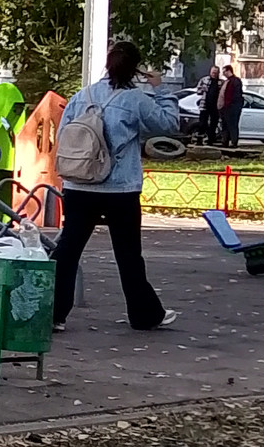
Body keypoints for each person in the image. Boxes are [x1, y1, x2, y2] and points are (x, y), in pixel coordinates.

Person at [52, 39, 180, 331]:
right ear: (135, 69)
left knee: (68, 249)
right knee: (128, 254)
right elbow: (169, 124)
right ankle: (144, 314)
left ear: (107, 64)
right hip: (119, 188)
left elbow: (63, 136)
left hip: (78, 185)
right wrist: (160, 89)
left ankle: (54, 314)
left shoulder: (82, 96)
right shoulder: (135, 99)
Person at [218, 65, 244, 149]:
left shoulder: (235, 81)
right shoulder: (227, 81)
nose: (223, 74)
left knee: (232, 125)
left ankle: (233, 142)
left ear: (229, 71)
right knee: (225, 125)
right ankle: (225, 141)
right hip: (225, 107)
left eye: (224, 71)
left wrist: (232, 105)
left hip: (232, 107)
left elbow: (236, 95)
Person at [197, 66, 223, 145]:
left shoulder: (221, 82)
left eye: (216, 73)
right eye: (213, 72)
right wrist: (203, 89)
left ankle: (211, 140)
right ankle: (199, 140)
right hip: (205, 105)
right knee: (202, 123)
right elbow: (198, 91)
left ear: (218, 73)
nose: (214, 74)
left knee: (214, 123)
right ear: (210, 72)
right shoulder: (204, 80)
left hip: (215, 106)